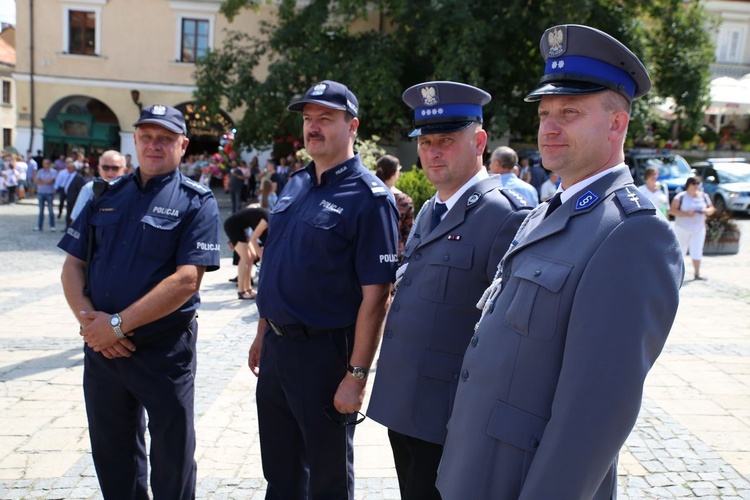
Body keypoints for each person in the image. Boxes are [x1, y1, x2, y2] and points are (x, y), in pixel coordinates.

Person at [436, 24, 685, 499]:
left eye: (570, 112)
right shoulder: (549, 211)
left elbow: (595, 415)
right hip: (476, 469)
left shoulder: (633, 233)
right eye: (545, 112)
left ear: (617, 124)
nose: (549, 126)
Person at [367, 81, 530, 500]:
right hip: (404, 401)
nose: (433, 152)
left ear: (478, 141)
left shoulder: (504, 215)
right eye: (426, 142)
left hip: (448, 412)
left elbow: (504, 332)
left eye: (447, 141)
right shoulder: (430, 209)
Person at [58, 104, 221, 499]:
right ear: (135, 141)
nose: (154, 145)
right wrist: (92, 325)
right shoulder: (106, 195)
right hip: (103, 352)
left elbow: (186, 281)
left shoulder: (197, 202)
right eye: (147, 137)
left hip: (163, 350)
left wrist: (116, 325)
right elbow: (72, 266)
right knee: (112, 451)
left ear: (182, 145)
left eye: (165, 138)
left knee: (173, 452)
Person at [247, 80, 399, 499]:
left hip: (325, 354)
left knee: (327, 476)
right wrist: (262, 331)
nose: (313, 128)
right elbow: (277, 263)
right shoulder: (294, 184)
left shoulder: (370, 198)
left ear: (352, 126)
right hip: (277, 349)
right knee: (279, 470)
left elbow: (377, 296)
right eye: (309, 119)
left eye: (325, 119)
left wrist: (356, 376)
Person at [670, 175, 714, 280]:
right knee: (680, 250)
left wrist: (707, 211)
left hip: (698, 227)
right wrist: (686, 213)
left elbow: (712, 208)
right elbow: (672, 211)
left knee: (697, 250)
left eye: (697, 184)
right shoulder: (681, 196)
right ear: (688, 185)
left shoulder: (703, 196)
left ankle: (697, 273)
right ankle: (677, 274)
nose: (696, 186)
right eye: (693, 183)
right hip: (682, 227)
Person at [374, 154, 415, 261]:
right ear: (396, 173)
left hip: (368, 253)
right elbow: (409, 234)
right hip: (394, 255)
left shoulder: (367, 195)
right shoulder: (404, 201)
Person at [223, 205, 268, 299]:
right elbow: (253, 239)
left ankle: (248, 289)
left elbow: (252, 206)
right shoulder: (266, 221)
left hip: (239, 228)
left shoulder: (267, 216)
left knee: (252, 257)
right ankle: (241, 291)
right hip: (233, 227)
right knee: (245, 258)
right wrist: (261, 256)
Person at [70, 150, 127, 222]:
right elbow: (76, 222)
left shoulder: (131, 190)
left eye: (115, 168)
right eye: (105, 167)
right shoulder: (88, 189)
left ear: (124, 170)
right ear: (99, 168)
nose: (110, 172)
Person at [33, 158, 58, 231]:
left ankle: (52, 226)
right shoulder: (40, 171)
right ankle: (39, 226)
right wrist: (43, 181)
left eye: (46, 163)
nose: (45, 165)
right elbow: (36, 180)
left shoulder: (53, 172)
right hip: (40, 192)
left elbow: (49, 181)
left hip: (49, 193)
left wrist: (41, 181)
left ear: (49, 164)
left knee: (50, 210)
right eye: (44, 163)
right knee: (41, 210)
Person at [63, 159, 86, 229]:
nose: (68, 169)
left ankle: (72, 228)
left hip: (75, 199)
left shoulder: (78, 177)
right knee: (68, 213)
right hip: (69, 198)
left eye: (70, 168)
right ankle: (67, 227)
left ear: (74, 168)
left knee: (73, 214)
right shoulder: (69, 175)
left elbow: (80, 189)